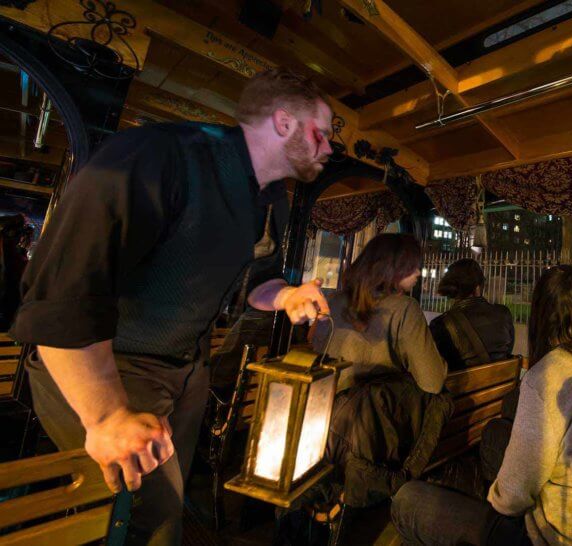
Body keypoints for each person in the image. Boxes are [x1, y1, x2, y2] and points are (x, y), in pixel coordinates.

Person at [12, 68, 334, 546]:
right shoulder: (160, 155)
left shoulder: (272, 201)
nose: (328, 147)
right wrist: (104, 417)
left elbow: (255, 283)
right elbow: (64, 297)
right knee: (153, 525)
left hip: (187, 374)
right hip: (108, 369)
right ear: (284, 122)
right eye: (321, 132)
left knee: (161, 511)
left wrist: (284, 295)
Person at [392, 265, 572, 546]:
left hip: (561, 536)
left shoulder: (548, 376)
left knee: (407, 500)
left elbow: (510, 500)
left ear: (540, 314)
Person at [309, 233, 450, 507]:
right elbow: (433, 383)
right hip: (367, 439)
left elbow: (316, 348)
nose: (420, 273)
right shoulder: (405, 309)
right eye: (413, 266)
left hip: (323, 424)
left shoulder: (336, 302)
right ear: (393, 269)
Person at [429, 258, 514, 371]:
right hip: (503, 385)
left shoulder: (441, 324)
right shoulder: (504, 313)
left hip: (465, 387)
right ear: (478, 288)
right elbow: (508, 350)